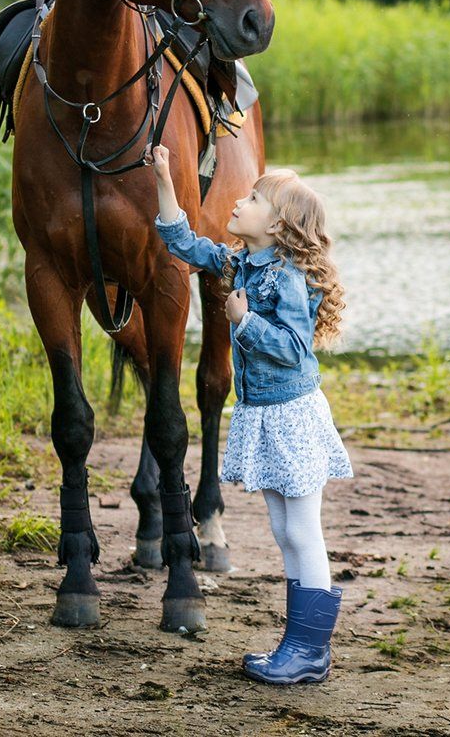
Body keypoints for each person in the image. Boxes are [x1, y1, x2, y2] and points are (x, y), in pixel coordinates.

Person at [146, 143, 354, 685]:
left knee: (303, 531)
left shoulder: (282, 277)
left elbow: (293, 349)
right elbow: (184, 243)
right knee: (286, 530)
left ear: (278, 224)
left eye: (254, 197)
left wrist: (243, 322)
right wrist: (166, 179)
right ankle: (300, 644)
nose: (239, 199)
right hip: (267, 413)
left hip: (291, 416)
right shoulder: (242, 260)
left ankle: (311, 650)